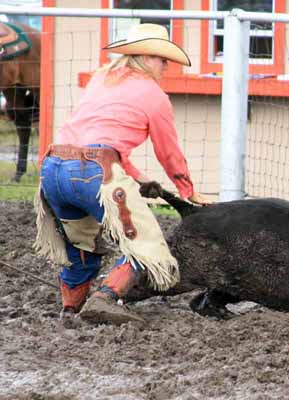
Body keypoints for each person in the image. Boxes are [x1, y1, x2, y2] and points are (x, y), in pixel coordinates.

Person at [33, 23, 211, 324]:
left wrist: (139, 179)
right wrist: (186, 189)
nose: (165, 65)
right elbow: (168, 152)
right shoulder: (154, 95)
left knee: (81, 247)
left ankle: (69, 309)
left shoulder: (101, 79)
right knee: (147, 243)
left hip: (53, 168)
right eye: (161, 58)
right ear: (144, 56)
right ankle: (107, 298)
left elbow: (98, 141)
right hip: (95, 174)